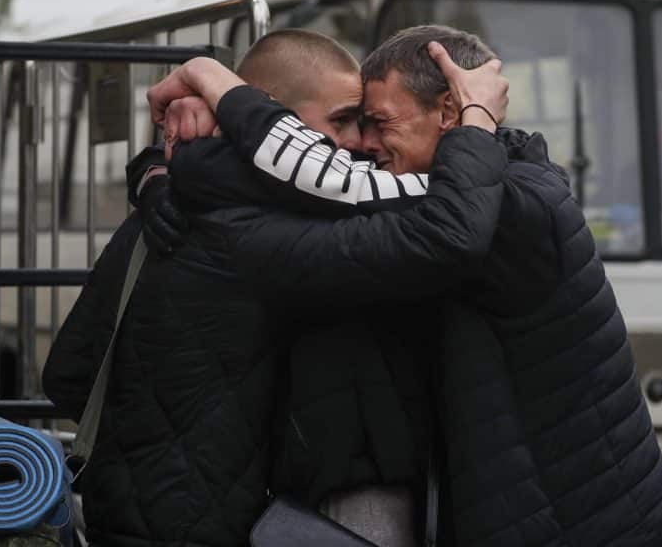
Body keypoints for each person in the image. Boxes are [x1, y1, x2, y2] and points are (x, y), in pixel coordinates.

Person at [145, 24, 662, 547]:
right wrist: (159, 168)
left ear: (449, 110)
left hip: (585, 526)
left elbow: (331, 178)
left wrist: (206, 92)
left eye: (379, 122)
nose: (362, 144)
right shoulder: (493, 179)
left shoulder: (510, 205)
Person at [42, 29, 510, 547]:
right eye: (341, 121)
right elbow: (441, 234)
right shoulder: (266, 229)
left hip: (124, 507)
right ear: (264, 117)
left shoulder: (170, 200)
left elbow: (67, 372)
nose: (355, 143)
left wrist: (152, 169)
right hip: (204, 524)